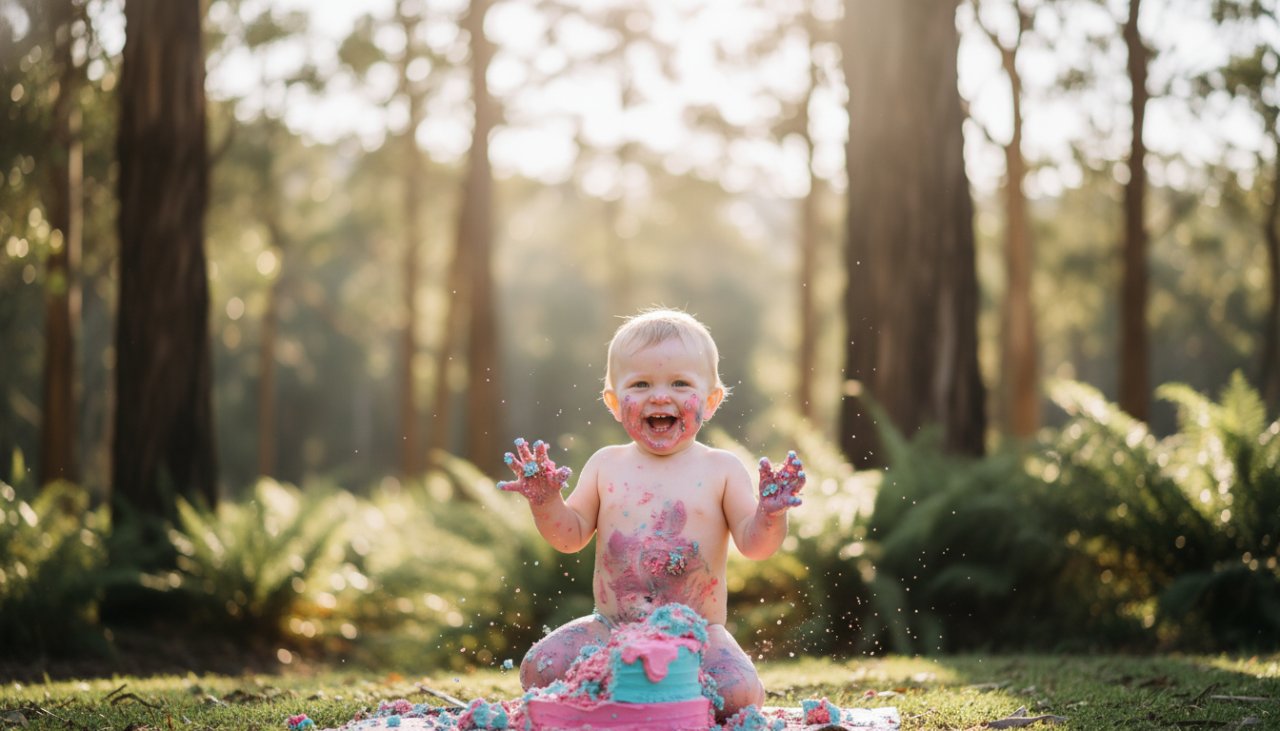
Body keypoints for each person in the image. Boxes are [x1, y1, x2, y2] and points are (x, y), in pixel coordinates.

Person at [496, 308, 805, 719]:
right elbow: (569, 538)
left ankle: (663, 699)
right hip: (610, 630)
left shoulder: (722, 469)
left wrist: (770, 515)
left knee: (740, 693)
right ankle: (631, 696)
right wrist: (545, 502)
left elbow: (757, 547)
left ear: (711, 401)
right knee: (540, 667)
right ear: (613, 401)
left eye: (680, 382)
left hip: (698, 636)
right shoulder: (606, 465)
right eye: (640, 384)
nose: (660, 396)